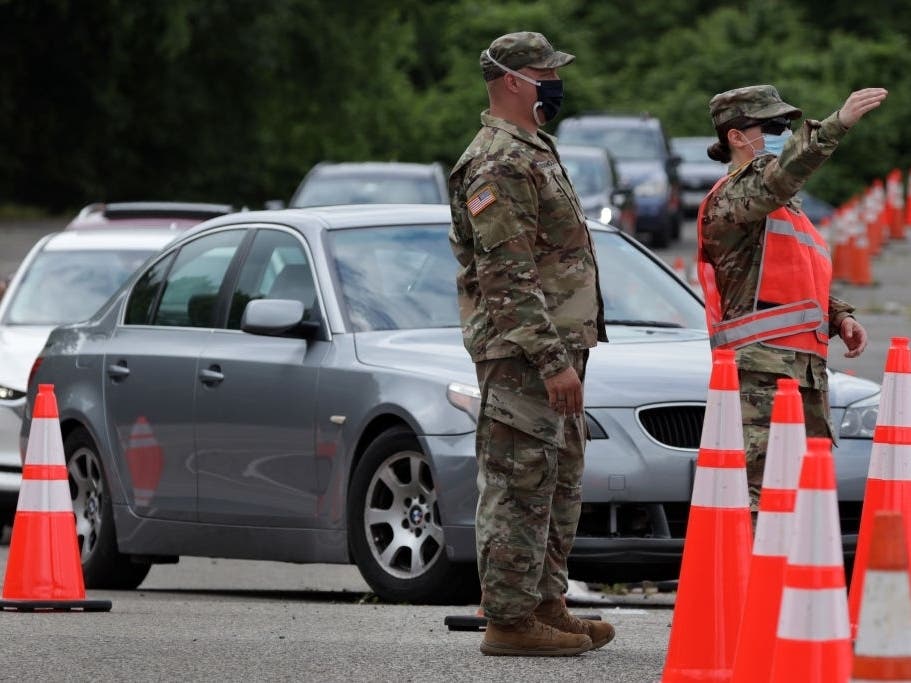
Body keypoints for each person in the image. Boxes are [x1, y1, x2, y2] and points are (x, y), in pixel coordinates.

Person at [448, 31, 614, 657]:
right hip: (523, 355)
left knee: (557, 479)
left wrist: (565, 353)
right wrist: (550, 360)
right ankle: (510, 621)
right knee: (520, 482)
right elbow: (506, 272)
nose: (554, 80)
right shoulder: (497, 160)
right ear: (514, 80)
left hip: (555, 348)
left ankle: (545, 602)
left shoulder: (532, 149)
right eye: (545, 71)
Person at [697, 84, 888, 508]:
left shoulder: (782, 207)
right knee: (762, 497)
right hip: (760, 373)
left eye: (787, 125)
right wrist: (836, 125)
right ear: (736, 136)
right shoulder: (734, 197)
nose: (784, 132)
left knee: (802, 494)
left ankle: (790, 577)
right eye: (773, 126)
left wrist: (838, 316)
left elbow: (796, 277)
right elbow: (781, 176)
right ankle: (752, 577)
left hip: (800, 373)